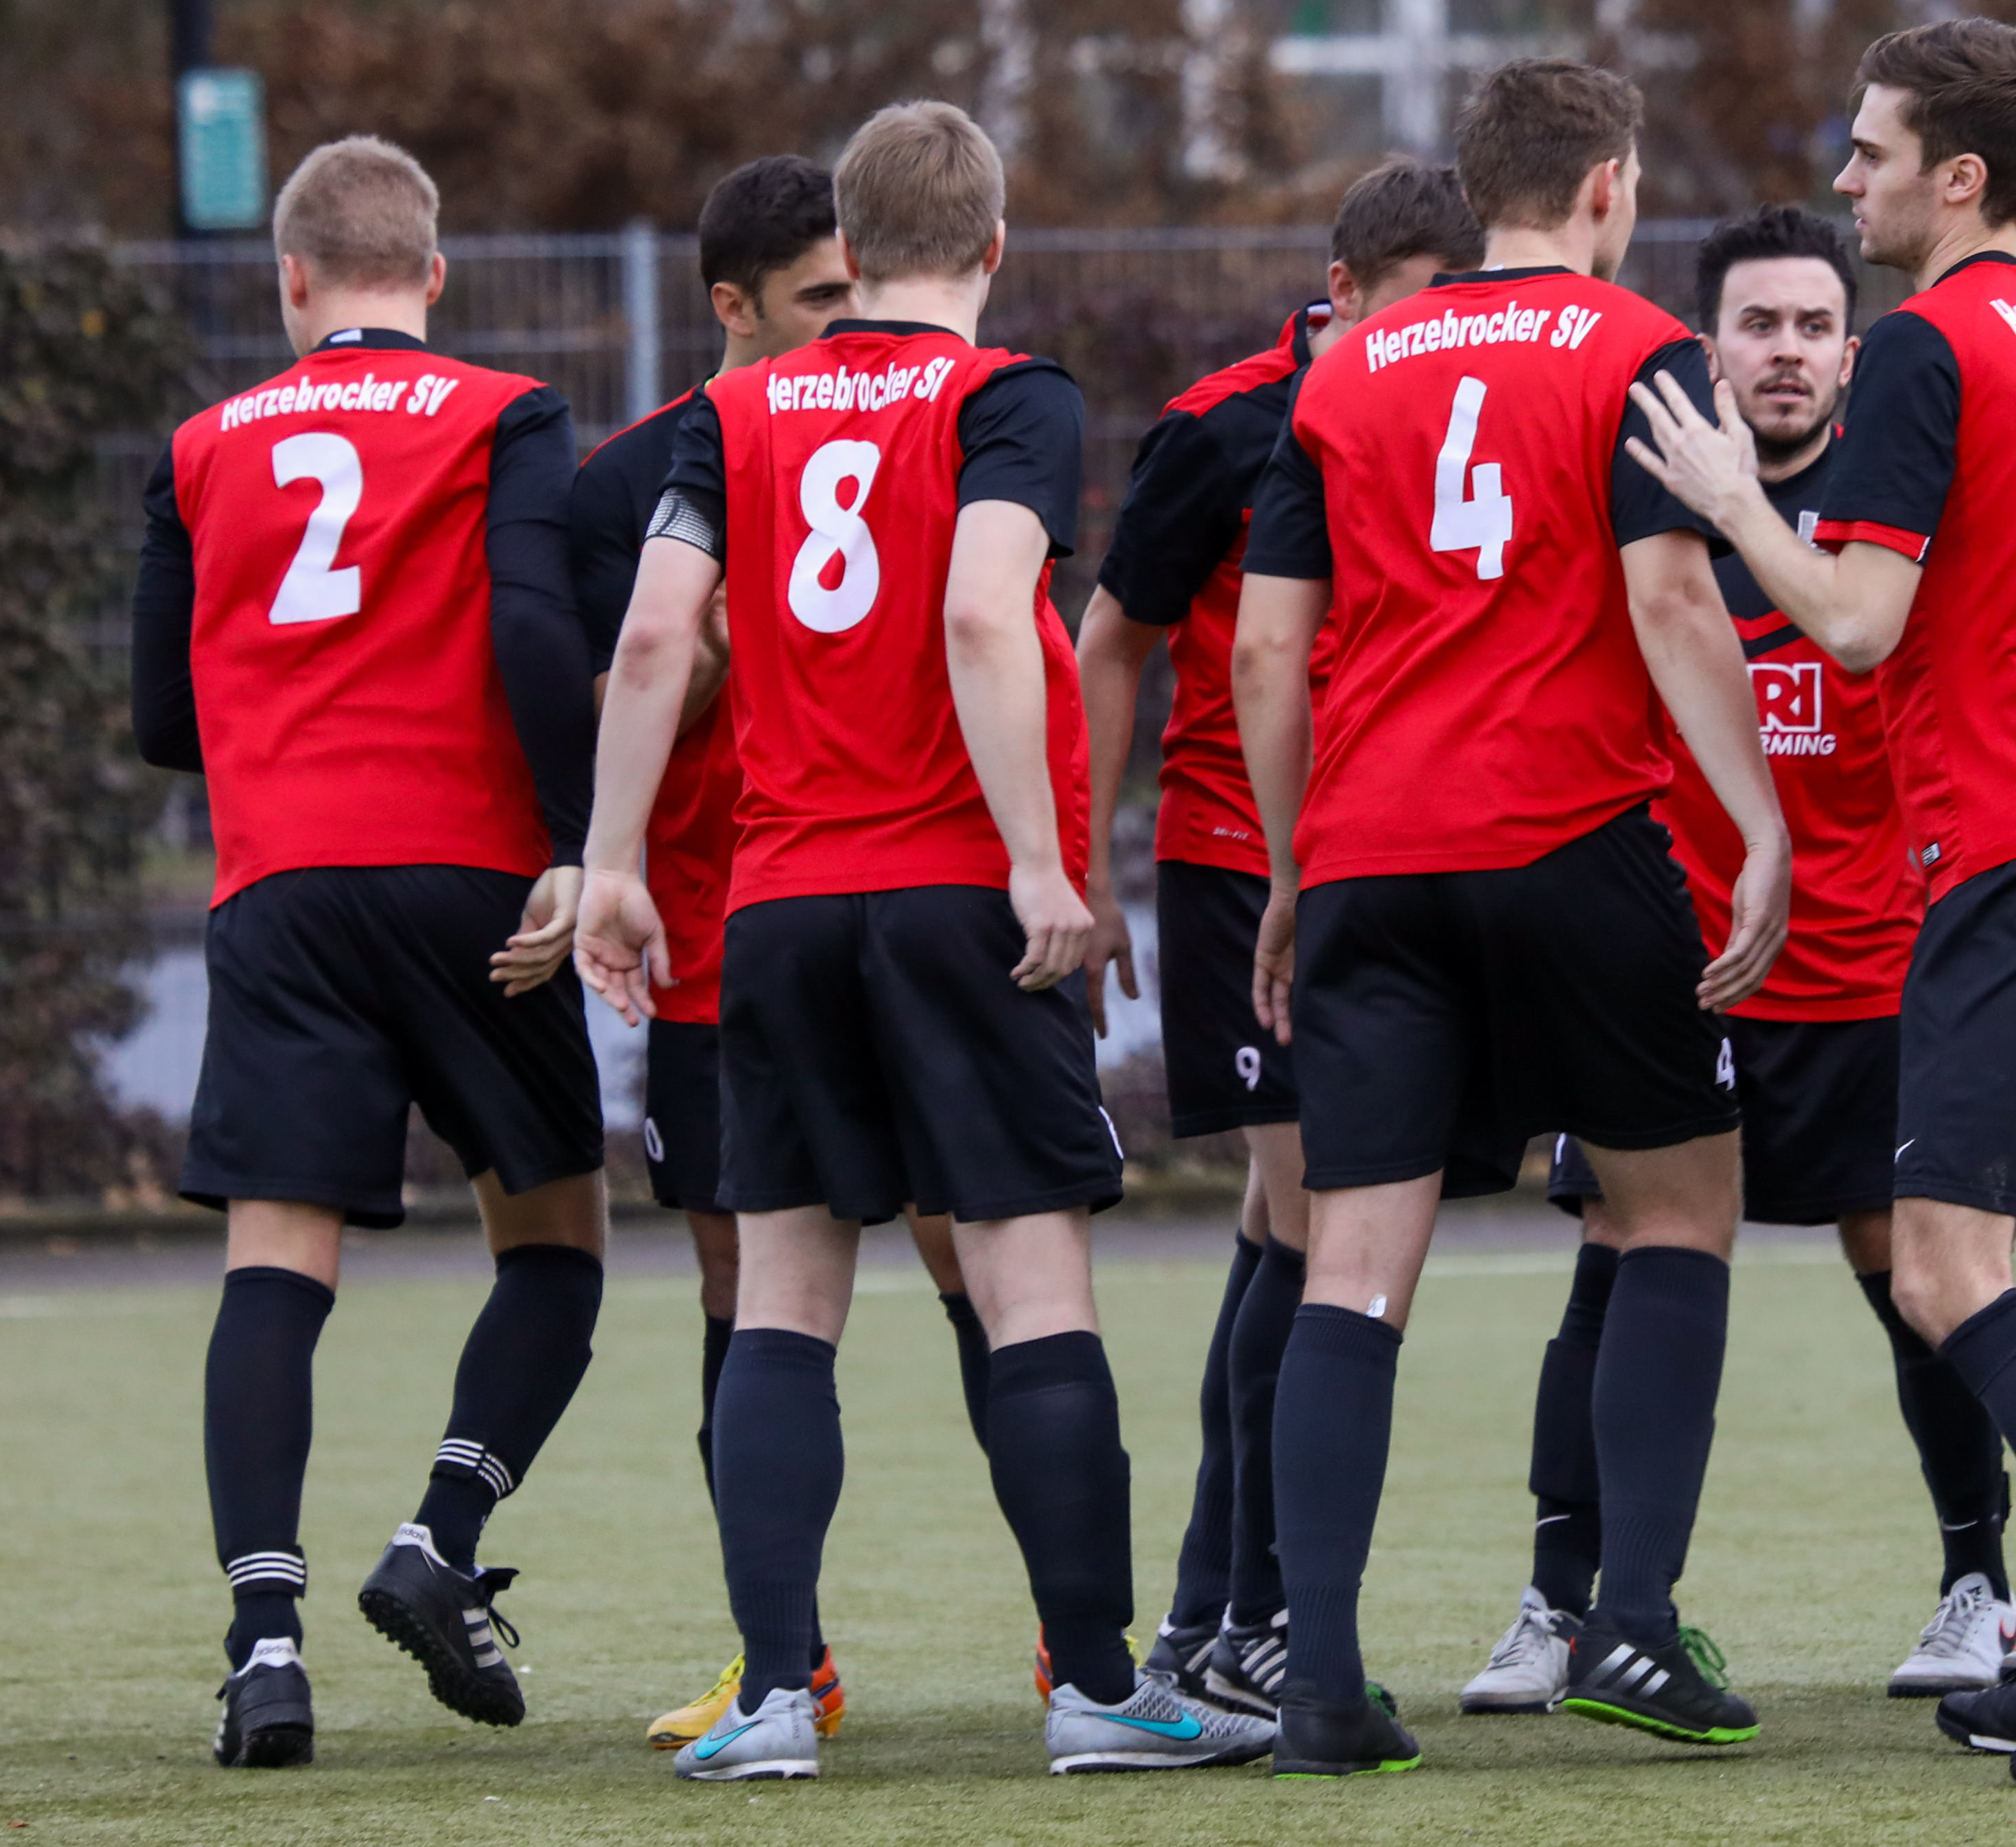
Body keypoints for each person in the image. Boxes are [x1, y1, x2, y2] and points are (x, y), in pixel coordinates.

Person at [577, 101, 1270, 1781]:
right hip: (956, 894)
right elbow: (980, 608)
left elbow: (655, 637)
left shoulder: (731, 412)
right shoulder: (1006, 396)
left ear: (852, 247)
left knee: (783, 1297)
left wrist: (608, 864)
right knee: (1029, 1286)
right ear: (993, 245)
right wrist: (1042, 861)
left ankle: (771, 1700)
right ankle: (1095, 1689)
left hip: (778, 904)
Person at [1628, 17, 2016, 1787]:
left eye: (1871, 150)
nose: (1846, 180)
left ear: (1957, 176)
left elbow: (1849, 623)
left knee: (1939, 1271)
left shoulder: (1922, 346)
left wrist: (1736, 502)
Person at [1233, 58, 1789, 1779]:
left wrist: (1289, 872)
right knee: (1676, 1213)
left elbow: (1264, 648)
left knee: (1350, 1264)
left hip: (1372, 862)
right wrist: (1762, 825)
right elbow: (1671, 598)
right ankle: (1631, 1624)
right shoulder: (1638, 349)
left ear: (1477, 192)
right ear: (1607, 184)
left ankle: (1320, 1684)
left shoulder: (1343, 371)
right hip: (1571, 842)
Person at [1464, 204, 2016, 1713]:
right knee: (1613, 1256)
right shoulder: (1648, 505)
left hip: (1870, 972)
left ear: (1852, 352)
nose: (1786, 352)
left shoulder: (1886, 515)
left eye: (1813, 326)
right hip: (1681, 970)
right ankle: (1560, 1603)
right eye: (1757, 325)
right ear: (1705, 349)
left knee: (1913, 1274)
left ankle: (1979, 1583)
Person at [136, 135, 607, 1766]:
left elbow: (160, 716)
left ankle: (263, 1648)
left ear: (289, 280)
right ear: (434, 274)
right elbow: (532, 625)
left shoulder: (199, 446)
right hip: (472, 879)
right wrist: (575, 834)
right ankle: (436, 1541)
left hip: (283, 886)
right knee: (555, 1244)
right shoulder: (506, 413)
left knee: (275, 1267)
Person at [569, 156, 1006, 1751]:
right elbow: (617, 694)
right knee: (743, 1285)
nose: (851, 317)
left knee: (977, 1261)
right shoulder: (640, 476)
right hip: (724, 932)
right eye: (821, 297)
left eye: (858, 285)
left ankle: (1068, 1638)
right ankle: (781, 1656)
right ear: (732, 308)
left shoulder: (939, 419)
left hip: (904, 900)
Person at [1072, 156, 1482, 1716]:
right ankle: (1244, 1615)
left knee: (1282, 1227)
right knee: (1313, 1226)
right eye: (1412, 305)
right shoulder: (1228, 424)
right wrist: (1086, 863)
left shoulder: (1462, 411)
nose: (1432, 335)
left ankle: (1210, 1610)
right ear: (1342, 292)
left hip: (1388, 863)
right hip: (1244, 867)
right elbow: (1112, 640)